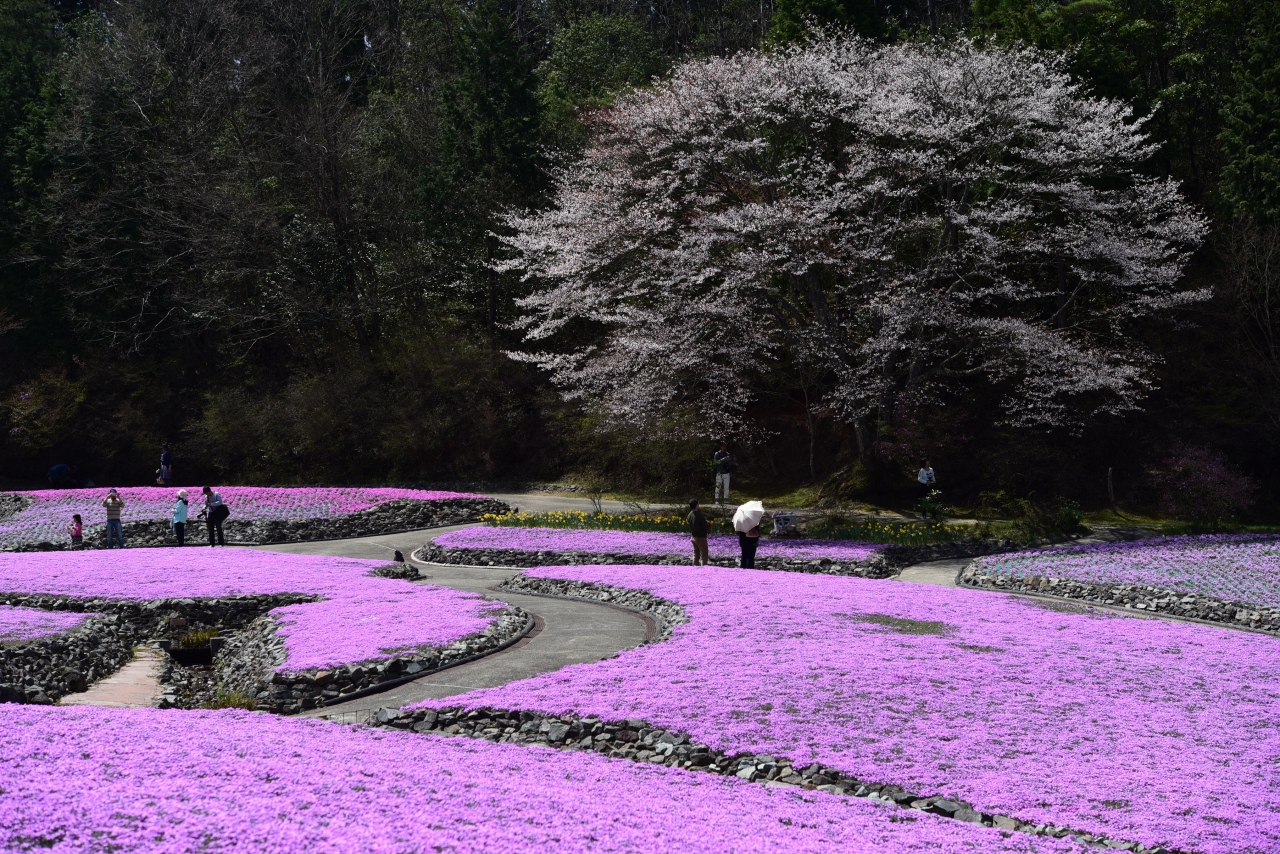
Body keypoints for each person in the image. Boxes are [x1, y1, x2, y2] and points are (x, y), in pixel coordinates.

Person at [687, 499, 710, 566]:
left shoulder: (690, 515)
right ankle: (704, 569)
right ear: (696, 505)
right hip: (701, 537)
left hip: (693, 536)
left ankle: (695, 568)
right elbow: (705, 526)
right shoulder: (699, 515)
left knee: (696, 554)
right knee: (704, 555)